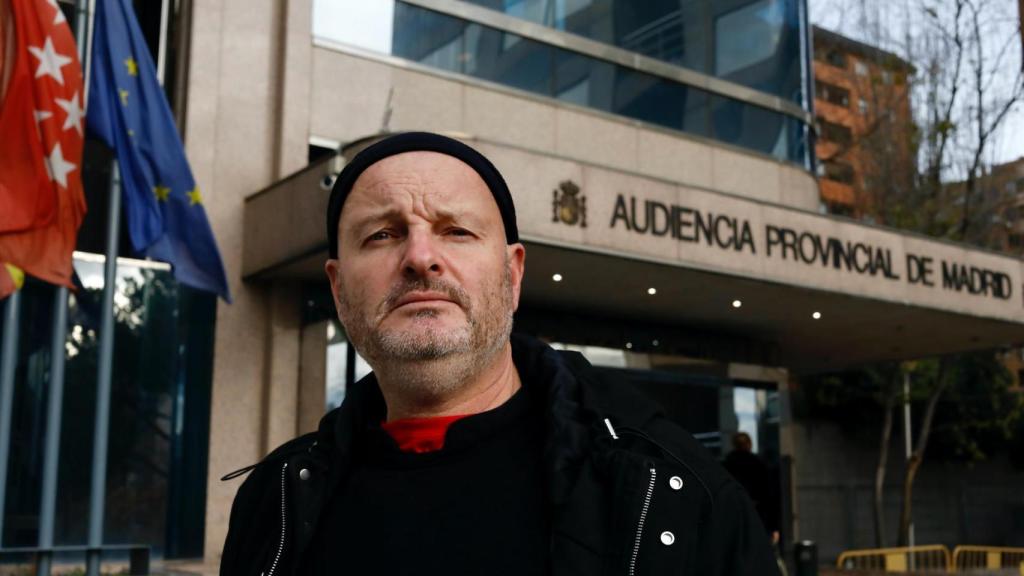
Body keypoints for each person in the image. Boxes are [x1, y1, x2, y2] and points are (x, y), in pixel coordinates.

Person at [220, 132, 779, 575]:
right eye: (382, 235)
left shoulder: (674, 495)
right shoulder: (274, 501)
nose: (420, 257)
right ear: (339, 290)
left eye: (456, 231)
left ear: (513, 275)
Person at [723, 432, 782, 545]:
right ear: (749, 444)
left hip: (733, 517)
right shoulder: (759, 465)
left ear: (734, 445)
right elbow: (769, 496)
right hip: (757, 515)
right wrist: (773, 527)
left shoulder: (726, 465)